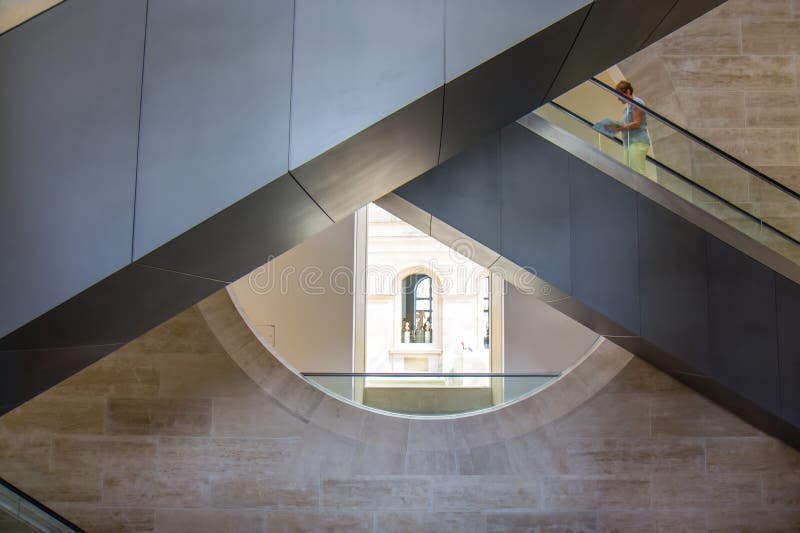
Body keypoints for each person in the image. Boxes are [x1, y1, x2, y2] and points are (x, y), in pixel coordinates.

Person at [605, 80, 650, 174]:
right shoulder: (626, 108)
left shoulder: (636, 102)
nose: (618, 98)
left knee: (637, 172)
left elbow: (637, 123)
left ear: (628, 92)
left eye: (620, 95)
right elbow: (626, 125)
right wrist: (615, 126)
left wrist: (618, 128)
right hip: (629, 143)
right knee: (628, 173)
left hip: (637, 141)